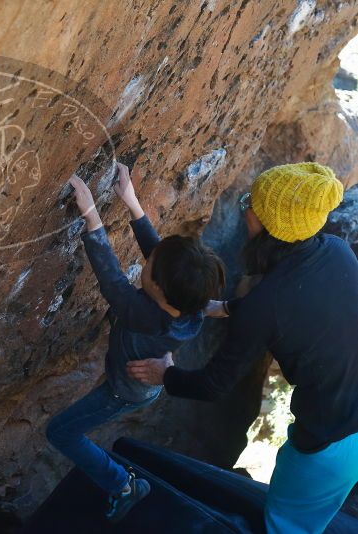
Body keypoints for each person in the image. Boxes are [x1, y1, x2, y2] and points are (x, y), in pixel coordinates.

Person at [127, 162, 358, 534]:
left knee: (283, 528)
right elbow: (305, 305)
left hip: (328, 445)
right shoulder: (335, 250)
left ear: (269, 226)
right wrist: (228, 307)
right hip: (350, 433)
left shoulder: (267, 304)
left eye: (251, 203)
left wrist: (164, 374)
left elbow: (214, 384)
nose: (245, 208)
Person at [46, 162, 226, 523]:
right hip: (139, 382)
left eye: (149, 265)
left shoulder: (146, 316)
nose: (147, 258)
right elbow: (163, 260)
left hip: (123, 392)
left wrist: (92, 216)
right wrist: (132, 203)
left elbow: (113, 282)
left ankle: (122, 485)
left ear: (157, 288)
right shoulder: (191, 306)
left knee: (61, 432)